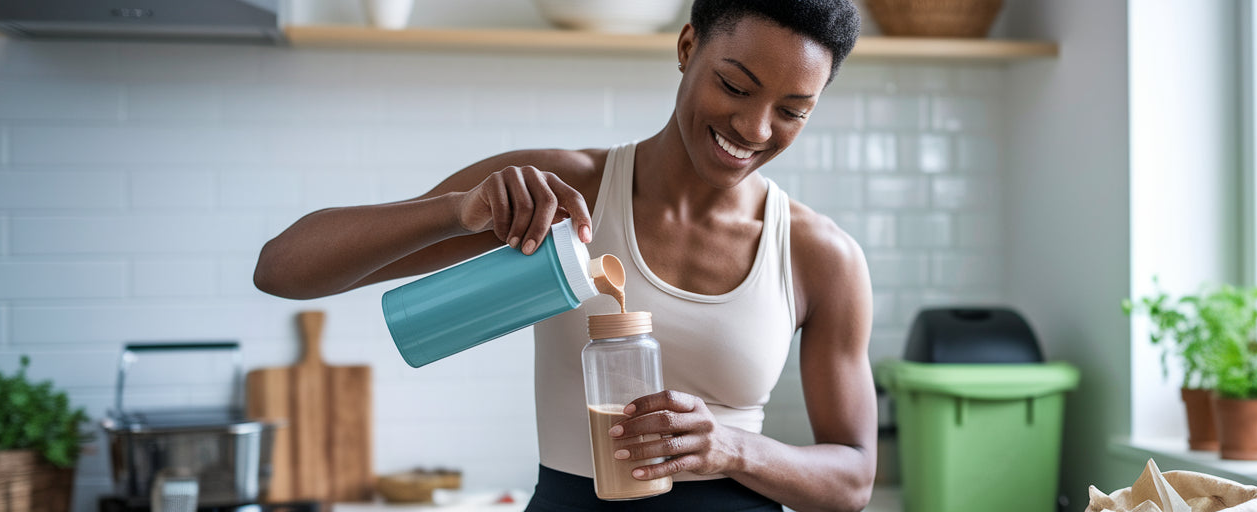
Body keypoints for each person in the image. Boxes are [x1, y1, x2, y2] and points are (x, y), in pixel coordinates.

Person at [253, 1, 874, 510]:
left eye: (793, 111)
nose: (757, 129)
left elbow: (854, 479)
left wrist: (732, 449)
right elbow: (280, 269)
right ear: (687, 48)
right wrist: (453, 211)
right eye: (735, 86)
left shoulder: (819, 256)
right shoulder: (560, 194)